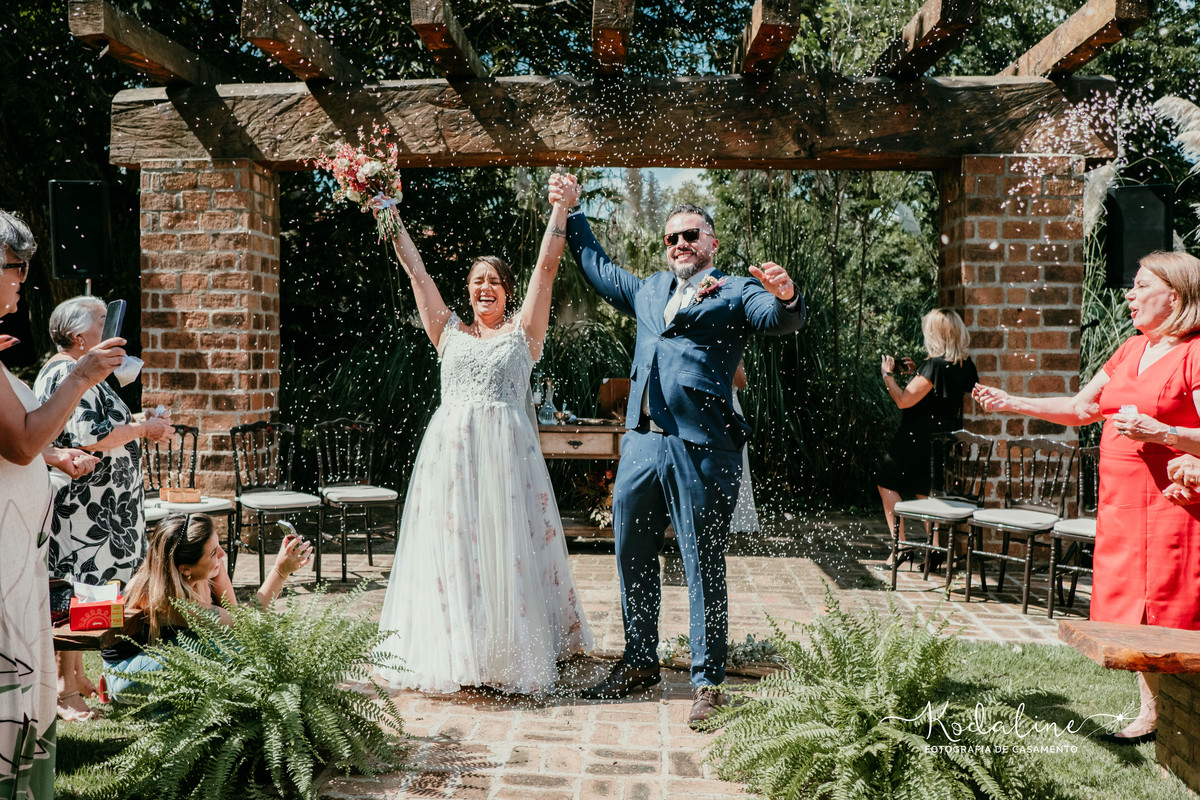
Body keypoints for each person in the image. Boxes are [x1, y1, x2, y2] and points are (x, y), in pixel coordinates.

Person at [552, 174, 805, 728]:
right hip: (642, 444)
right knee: (630, 554)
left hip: (703, 447)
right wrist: (572, 213)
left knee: (700, 562)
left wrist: (787, 296)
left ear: (712, 242)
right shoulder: (647, 291)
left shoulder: (737, 290)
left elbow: (777, 319)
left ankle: (707, 680)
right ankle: (639, 661)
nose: (680, 244)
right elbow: (595, 266)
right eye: (671, 239)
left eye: (691, 234)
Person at [374, 179, 593, 695]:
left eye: (494, 280)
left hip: (507, 461)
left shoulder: (525, 333)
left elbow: (546, 269)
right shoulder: (446, 332)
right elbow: (417, 272)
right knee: (456, 551)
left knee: (506, 550)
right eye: (476, 281)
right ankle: (460, 650)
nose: (485, 287)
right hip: (451, 459)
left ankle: (506, 653)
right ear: (468, 290)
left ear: (507, 291)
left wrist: (561, 209)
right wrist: (386, 212)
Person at [973, 250, 1200, 744]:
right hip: (1122, 502)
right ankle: (1154, 711)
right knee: (1133, 610)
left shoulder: (1196, 353)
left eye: (1142, 286)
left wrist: (1162, 431)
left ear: (1176, 296)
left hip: (1171, 504)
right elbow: (1081, 407)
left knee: (1170, 606)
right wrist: (1014, 402)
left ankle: (1178, 715)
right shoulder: (1129, 349)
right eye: (1132, 286)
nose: (1130, 294)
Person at [1, 210, 123, 797]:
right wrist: (80, 377)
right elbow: (25, 441)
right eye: (15, 269)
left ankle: (75, 689)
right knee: (78, 605)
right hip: (24, 543)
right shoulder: (64, 371)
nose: (22, 281)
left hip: (27, 541)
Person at [34, 296, 175, 721]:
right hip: (87, 512)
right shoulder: (64, 372)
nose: (112, 329)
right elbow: (86, 435)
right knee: (78, 593)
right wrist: (145, 428)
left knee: (84, 592)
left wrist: (137, 421)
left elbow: (102, 426)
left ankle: (74, 676)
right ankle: (62, 689)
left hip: (101, 509)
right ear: (79, 337)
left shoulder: (83, 375)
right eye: (102, 321)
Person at [102, 513, 313, 702]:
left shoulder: (211, 570)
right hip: (125, 673)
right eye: (213, 553)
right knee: (209, 648)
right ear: (185, 569)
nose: (222, 554)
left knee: (240, 644)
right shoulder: (169, 601)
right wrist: (280, 571)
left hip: (161, 655)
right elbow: (244, 624)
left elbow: (239, 622)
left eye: (218, 545)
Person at [876, 309, 978, 568]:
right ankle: (935, 549)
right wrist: (915, 374)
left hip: (915, 437)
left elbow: (903, 400)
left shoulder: (932, 366)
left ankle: (900, 548)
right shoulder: (965, 365)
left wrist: (888, 375)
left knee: (886, 483)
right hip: (941, 440)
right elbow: (938, 395)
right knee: (924, 490)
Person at [729, 360, 760, 535]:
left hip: (731, 409)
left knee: (737, 463)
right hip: (711, 408)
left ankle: (738, 518)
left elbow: (741, 383)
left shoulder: (734, 350)